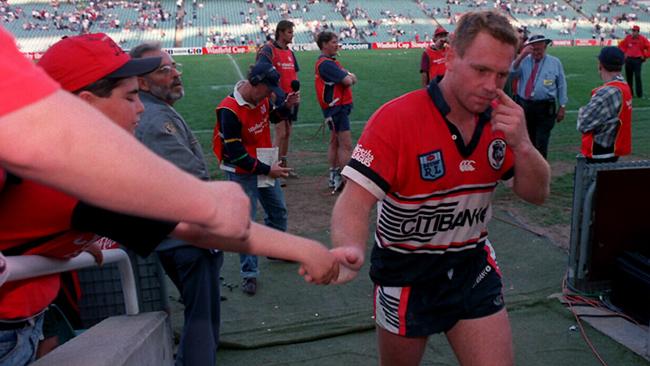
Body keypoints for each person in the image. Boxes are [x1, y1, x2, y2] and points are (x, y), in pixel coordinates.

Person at [1, 33, 337, 365]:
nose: (140, 109)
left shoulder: (64, 166)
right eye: (131, 97)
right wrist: (304, 249)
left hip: (29, 320)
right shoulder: (77, 178)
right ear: (87, 104)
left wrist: (58, 243)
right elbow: (196, 228)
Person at [328, 11, 550, 366]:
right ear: (449, 58)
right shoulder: (396, 119)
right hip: (406, 275)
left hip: (471, 267)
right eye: (481, 70)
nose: (492, 86)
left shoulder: (503, 121)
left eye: (502, 74)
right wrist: (349, 247)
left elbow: (537, 193)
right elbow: (354, 200)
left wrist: (523, 145)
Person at [130, 42, 220, 366]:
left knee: (201, 313)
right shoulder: (154, 120)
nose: (175, 74)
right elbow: (191, 178)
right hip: (186, 237)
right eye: (164, 70)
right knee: (202, 319)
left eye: (174, 66)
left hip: (180, 235)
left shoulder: (154, 111)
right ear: (141, 81)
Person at [213, 62, 298, 296]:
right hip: (242, 171)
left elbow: (271, 117)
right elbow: (236, 155)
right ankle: (249, 274)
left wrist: (286, 108)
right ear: (254, 84)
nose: (271, 94)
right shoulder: (228, 111)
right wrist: (267, 169)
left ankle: (275, 249)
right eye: (268, 88)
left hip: (264, 162)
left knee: (278, 211)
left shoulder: (262, 98)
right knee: (245, 222)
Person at [257, 20, 301, 182]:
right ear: (281, 32)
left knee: (287, 133)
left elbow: (294, 74)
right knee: (280, 132)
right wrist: (272, 95)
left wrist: (297, 93)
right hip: (277, 99)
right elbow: (261, 71)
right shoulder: (269, 50)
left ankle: (282, 167)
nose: (292, 35)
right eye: (289, 32)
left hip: (290, 98)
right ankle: (272, 169)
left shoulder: (290, 52)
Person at [511, 34, 568, 159]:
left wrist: (562, 106)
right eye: (534, 49)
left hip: (545, 108)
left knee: (542, 141)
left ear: (545, 48)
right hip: (525, 106)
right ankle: (528, 167)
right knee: (527, 140)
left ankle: (540, 170)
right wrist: (521, 56)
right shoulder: (523, 61)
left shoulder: (555, 62)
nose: (537, 53)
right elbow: (511, 74)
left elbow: (561, 85)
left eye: (540, 49)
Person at [314, 31, 356, 192]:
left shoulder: (330, 62)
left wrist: (349, 76)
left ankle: (334, 176)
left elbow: (352, 77)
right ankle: (345, 179)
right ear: (324, 45)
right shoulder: (326, 64)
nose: (336, 44)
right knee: (346, 145)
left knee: (335, 142)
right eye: (333, 42)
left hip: (335, 108)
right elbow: (348, 80)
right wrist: (348, 76)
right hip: (336, 108)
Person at [577, 46, 632, 163]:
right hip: (612, 149)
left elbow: (583, 124)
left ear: (600, 64)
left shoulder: (607, 92)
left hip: (599, 153)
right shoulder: (624, 86)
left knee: (591, 181)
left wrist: (583, 109)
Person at [618, 25, 650, 98]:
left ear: (638, 32)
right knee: (629, 77)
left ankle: (639, 94)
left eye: (635, 31)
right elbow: (621, 46)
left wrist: (645, 55)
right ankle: (630, 93)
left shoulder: (642, 39)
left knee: (637, 77)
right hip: (628, 60)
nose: (633, 32)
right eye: (633, 31)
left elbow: (649, 47)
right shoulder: (628, 38)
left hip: (638, 60)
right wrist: (625, 53)